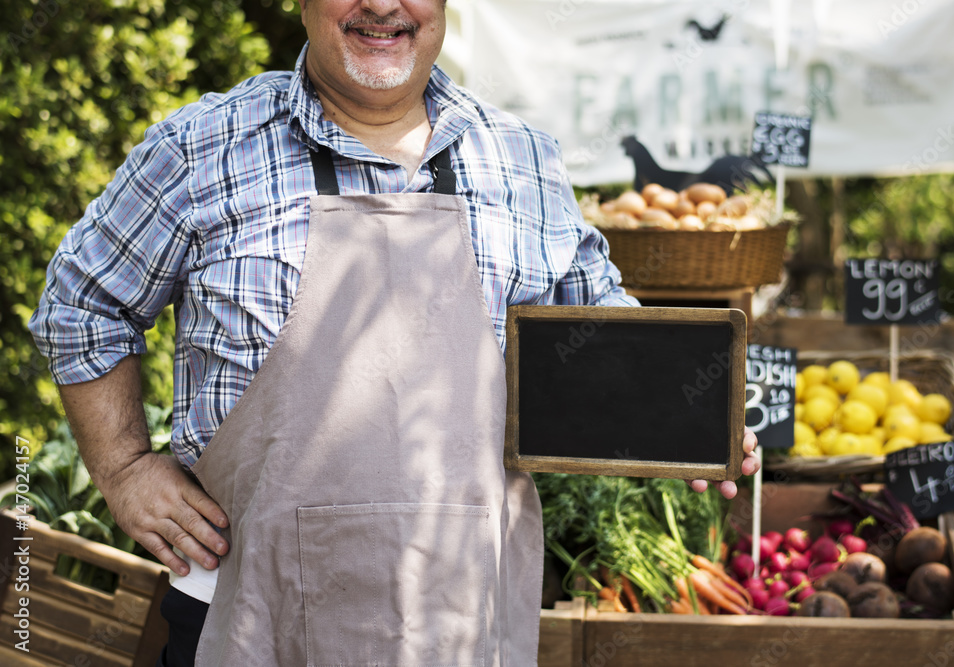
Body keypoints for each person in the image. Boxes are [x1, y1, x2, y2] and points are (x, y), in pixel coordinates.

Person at [29, 1, 761, 665]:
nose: (382, 6)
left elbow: (602, 326)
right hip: (247, 617)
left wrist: (689, 409)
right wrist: (123, 468)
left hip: (461, 628)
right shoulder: (201, 149)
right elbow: (80, 302)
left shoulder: (521, 160)